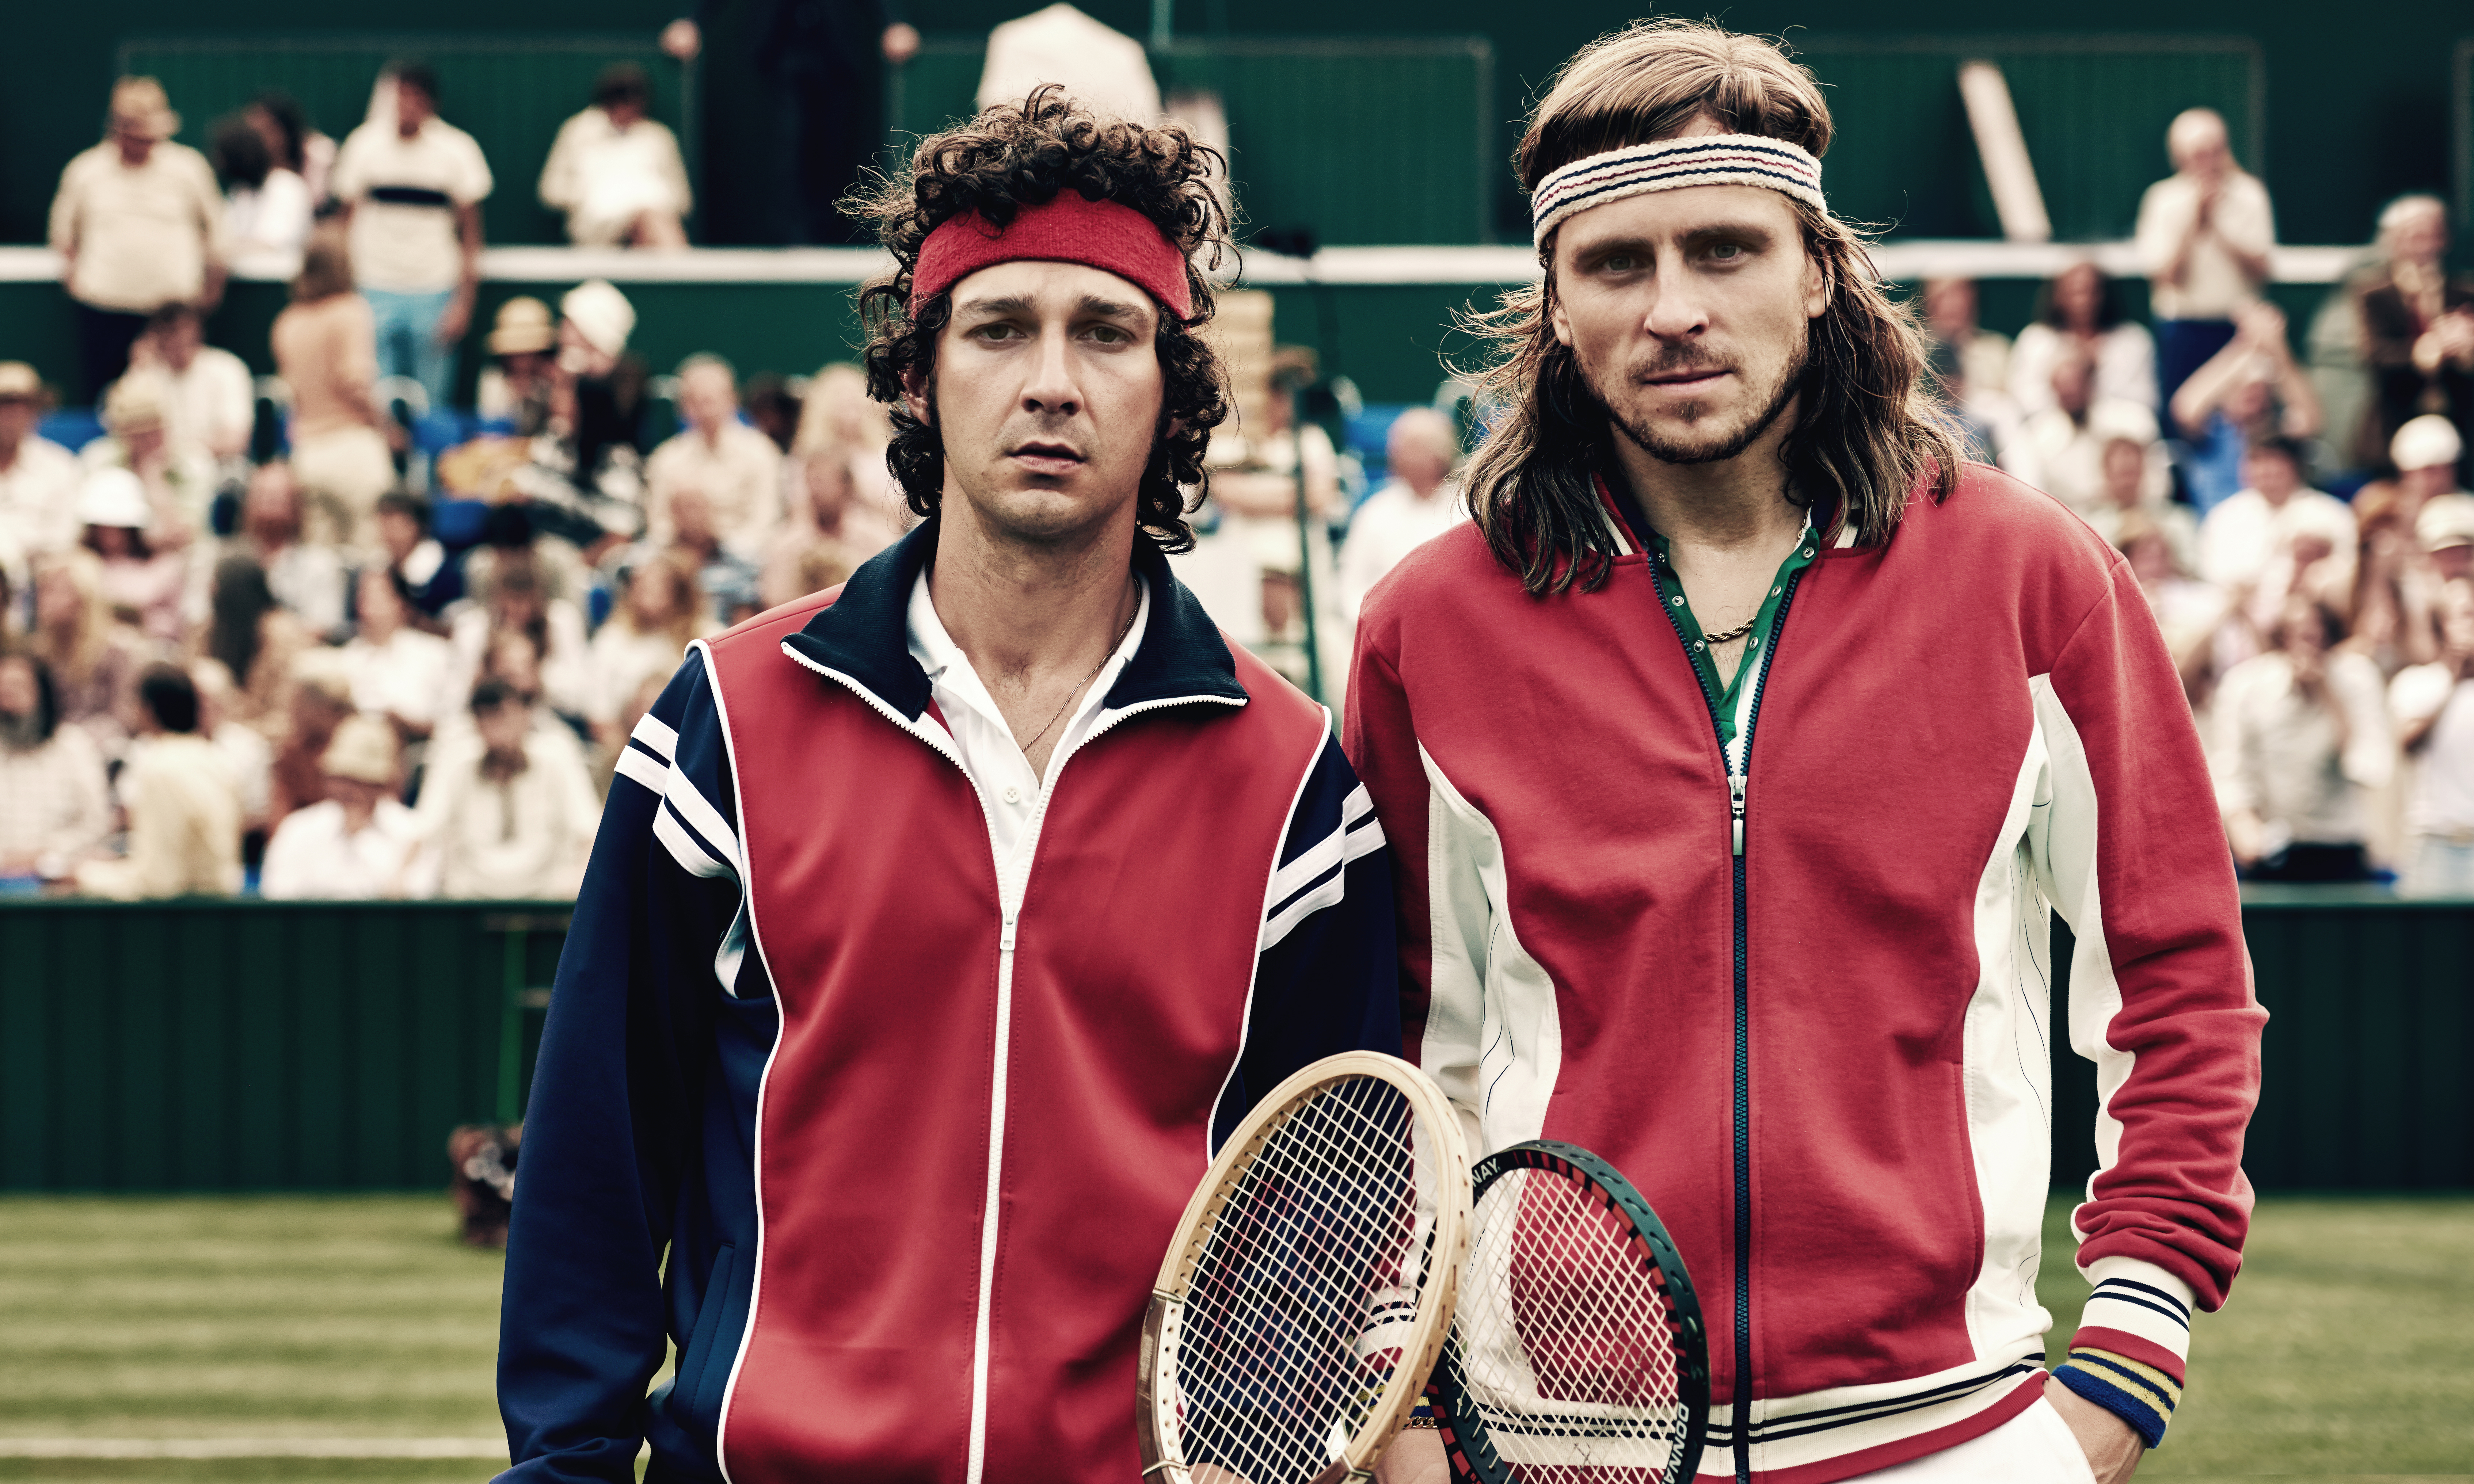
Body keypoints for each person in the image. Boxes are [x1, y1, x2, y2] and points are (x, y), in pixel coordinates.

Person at [1347, 22, 2262, 1484]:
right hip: (1558, 1441)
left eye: (1723, 249)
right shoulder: (1428, 625)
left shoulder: (2031, 577)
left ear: (1818, 268)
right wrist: (1396, 1396)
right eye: (1614, 263)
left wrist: (2133, 1345)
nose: (1672, 310)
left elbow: (2177, 978)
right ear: (1555, 299)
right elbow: (1393, 1047)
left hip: (1948, 1427)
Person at [495, 87, 1399, 1482]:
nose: (1052, 381)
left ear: (1171, 388)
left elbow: (1318, 1215)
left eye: (1105, 332)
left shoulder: (1292, 782)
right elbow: (596, 1155)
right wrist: (563, 1464)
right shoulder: (727, 719)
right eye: (997, 329)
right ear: (918, 376)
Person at [658, 3, 920, 245]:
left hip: (834, 50)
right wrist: (692, 22)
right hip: (781, 45)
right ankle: (792, 237)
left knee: (831, 146)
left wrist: (893, 23)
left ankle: (824, 235)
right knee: (787, 145)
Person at [47, 77, 228, 400]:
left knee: (179, 400)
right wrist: (76, 281)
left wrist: (210, 291)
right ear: (119, 131)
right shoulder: (85, 170)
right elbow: (63, 236)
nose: (147, 144)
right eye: (139, 136)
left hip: (172, 311)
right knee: (108, 399)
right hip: (104, 311)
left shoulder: (189, 168)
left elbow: (217, 233)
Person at [329, 61, 492, 412]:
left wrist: (463, 303)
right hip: (372, 285)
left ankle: (429, 467)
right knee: (374, 402)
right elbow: (344, 223)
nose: (406, 106)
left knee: (431, 405)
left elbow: (471, 234)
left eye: (416, 98)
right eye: (400, 97)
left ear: (431, 104)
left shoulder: (458, 150)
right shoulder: (364, 145)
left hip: (434, 290)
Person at [2213, 597, 2392, 882]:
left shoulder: (2358, 677)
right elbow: (2231, 769)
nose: (2307, 643)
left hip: (2341, 848)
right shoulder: (2245, 683)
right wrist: (2241, 825)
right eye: (2297, 632)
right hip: (2271, 850)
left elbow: (2368, 766)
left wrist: (2325, 690)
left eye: (2316, 633)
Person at [2136, 107, 2275, 410]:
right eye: (2199, 154)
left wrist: (2220, 230)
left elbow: (2262, 270)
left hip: (2238, 328)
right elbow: (2167, 276)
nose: (2209, 162)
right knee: (2180, 412)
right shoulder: (2161, 200)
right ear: (2180, 157)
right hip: (2182, 328)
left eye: (2215, 151)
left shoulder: (2251, 195)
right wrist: (2195, 223)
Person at [412, 676, 600, 899]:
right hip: (469, 900)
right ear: (477, 725)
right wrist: (398, 882)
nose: (499, 732)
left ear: (525, 717)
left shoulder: (558, 756)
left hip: (548, 899)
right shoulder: (455, 760)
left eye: (505, 719)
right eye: (488, 721)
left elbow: (589, 831)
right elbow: (424, 830)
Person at [75, 663, 243, 899]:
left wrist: (81, 877)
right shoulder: (216, 762)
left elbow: (158, 882)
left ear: (148, 710)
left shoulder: (160, 769)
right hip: (219, 912)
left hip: (184, 922)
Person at [272, 228, 397, 542]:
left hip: (307, 455)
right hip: (352, 449)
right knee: (372, 552)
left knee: (321, 564)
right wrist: (386, 427)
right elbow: (354, 384)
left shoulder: (288, 322)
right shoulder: (350, 311)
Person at [2356, 195, 2474, 482]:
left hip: (2459, 424)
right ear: (2394, 241)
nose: (2422, 245)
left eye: (2429, 234)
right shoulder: (2374, 294)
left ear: (2443, 239)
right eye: (2412, 236)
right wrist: (2433, 349)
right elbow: (2377, 357)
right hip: (2396, 423)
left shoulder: (2464, 294)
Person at [2170, 299, 2322, 515]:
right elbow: (2185, 408)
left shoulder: (2279, 433)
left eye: (2260, 389)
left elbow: (2311, 418)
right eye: (2241, 388)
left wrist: (2277, 347)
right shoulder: (2212, 433)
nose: (2252, 393)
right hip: (2218, 534)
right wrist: (2243, 343)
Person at [259, 712, 433, 899]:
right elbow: (278, 900)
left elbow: (420, 902)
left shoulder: (414, 832)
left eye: (361, 780)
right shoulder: (299, 830)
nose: (347, 789)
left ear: (383, 785)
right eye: (341, 778)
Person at [537, 64, 692, 249]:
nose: (628, 114)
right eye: (621, 106)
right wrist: (593, 194)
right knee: (652, 224)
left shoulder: (659, 137)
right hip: (596, 233)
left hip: (652, 224)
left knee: (650, 219)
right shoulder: (578, 133)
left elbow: (683, 200)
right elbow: (550, 192)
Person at [1337, 406, 1466, 621]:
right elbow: (1350, 586)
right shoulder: (1374, 512)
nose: (1396, 453)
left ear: (1440, 454)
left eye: (1411, 447)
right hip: (1385, 634)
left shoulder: (1469, 509)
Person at [643, 355, 782, 551]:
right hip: (679, 557)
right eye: (695, 401)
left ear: (732, 400)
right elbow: (659, 525)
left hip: (744, 559)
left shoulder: (762, 453)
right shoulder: (666, 458)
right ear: (682, 406)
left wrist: (723, 549)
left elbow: (765, 521)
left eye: (711, 400)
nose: (705, 411)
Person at [2391, 577, 2474, 894]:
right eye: (2463, 615)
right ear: (2441, 624)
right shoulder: (2417, 682)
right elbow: (2408, 744)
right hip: (2434, 838)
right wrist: (2453, 680)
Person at [2195, 435, 2354, 598]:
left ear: (2295, 466)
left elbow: (2349, 566)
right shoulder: (2225, 516)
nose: (2266, 471)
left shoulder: (2331, 514)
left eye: (2275, 462)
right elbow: (2211, 572)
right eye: (2257, 462)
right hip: (2237, 607)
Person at [0, 651, 113, 880]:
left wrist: (41, 857)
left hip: (58, 880)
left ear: (42, 693)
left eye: (17, 687)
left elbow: (95, 823)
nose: (7, 698)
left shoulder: (73, 747)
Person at [582, 548, 711, 744]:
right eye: (643, 585)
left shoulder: (704, 636)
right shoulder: (612, 638)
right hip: (627, 746)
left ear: (680, 593)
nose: (649, 593)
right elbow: (600, 716)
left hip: (690, 743)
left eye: (661, 586)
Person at [27, 551, 148, 757]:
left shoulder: (119, 651)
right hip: (48, 754)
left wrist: (73, 741)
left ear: (85, 596)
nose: (45, 599)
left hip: (102, 753)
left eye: (58, 590)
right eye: (44, 590)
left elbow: (124, 718)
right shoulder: (37, 654)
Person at [2009, 260, 2159, 417]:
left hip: (2116, 427)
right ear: (2058, 295)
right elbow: (2024, 398)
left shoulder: (2133, 341)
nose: (2084, 301)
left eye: (2092, 291)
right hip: (2052, 426)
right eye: (2074, 292)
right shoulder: (2036, 341)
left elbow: (2145, 400)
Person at [200, 552, 312, 738]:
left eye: (217, 586)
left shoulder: (284, 635)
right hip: (217, 732)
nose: (211, 592)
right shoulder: (209, 631)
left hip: (267, 736)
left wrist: (239, 729)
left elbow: (286, 716)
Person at [339, 565, 454, 744]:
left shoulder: (435, 652)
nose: (367, 607)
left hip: (422, 745)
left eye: (377, 598)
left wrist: (404, 722)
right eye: (363, 598)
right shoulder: (347, 658)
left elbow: (450, 718)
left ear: (400, 603)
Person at [127, 304, 253, 465]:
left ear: (198, 332)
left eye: (181, 331)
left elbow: (235, 441)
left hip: (218, 466)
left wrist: (183, 453)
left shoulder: (227, 369)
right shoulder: (146, 373)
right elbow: (123, 433)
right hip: (160, 467)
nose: (175, 340)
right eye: (167, 333)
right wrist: (138, 370)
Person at [232, 462, 349, 635]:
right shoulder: (228, 563)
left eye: (277, 497)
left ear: (296, 507)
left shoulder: (319, 564)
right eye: (262, 495)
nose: (268, 503)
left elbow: (324, 626)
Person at [75, 467, 188, 645]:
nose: (110, 535)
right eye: (102, 527)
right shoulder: (77, 566)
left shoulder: (164, 568)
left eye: (119, 527)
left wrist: (138, 617)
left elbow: (175, 626)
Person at [212, 111, 313, 281]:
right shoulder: (239, 192)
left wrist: (221, 251)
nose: (219, 163)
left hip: (278, 283)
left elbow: (270, 242)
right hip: (242, 282)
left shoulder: (286, 186)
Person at [0, 363, 84, 561]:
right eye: (4, 405)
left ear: (36, 412)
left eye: (23, 406)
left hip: (40, 572)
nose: (12, 416)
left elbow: (67, 535)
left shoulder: (60, 466)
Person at [372, 489, 464, 621]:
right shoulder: (379, 567)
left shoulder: (445, 573)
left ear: (418, 526)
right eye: (385, 524)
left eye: (397, 525)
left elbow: (453, 627)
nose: (389, 534)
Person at [475, 297, 558, 433]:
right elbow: (491, 425)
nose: (522, 361)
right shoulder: (494, 379)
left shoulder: (553, 379)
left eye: (529, 353)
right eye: (516, 354)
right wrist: (513, 396)